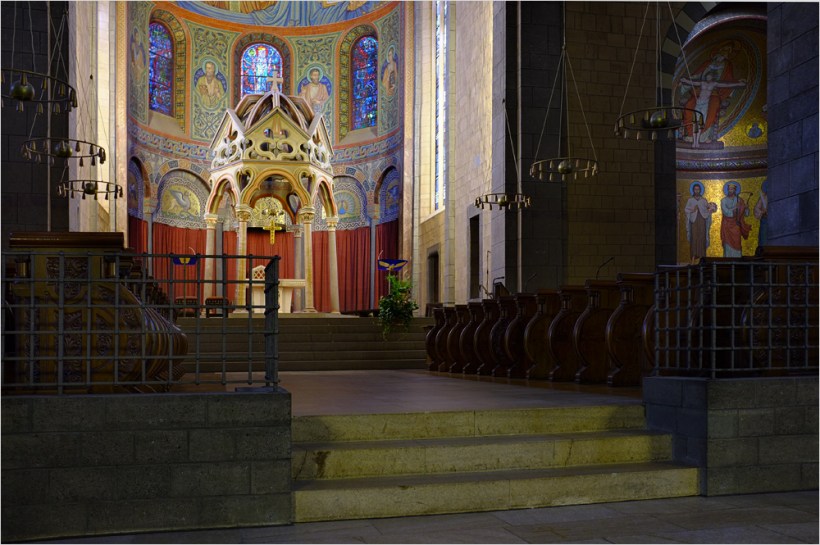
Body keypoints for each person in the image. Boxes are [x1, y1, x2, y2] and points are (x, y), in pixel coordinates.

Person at [679, 70, 746, 146]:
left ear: (712, 77)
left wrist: (739, 84)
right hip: (699, 103)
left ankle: (698, 141)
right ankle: (695, 142)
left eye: (710, 76)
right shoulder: (702, 83)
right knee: (695, 122)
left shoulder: (714, 83)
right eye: (707, 75)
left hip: (705, 104)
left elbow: (726, 84)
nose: (708, 77)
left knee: (702, 122)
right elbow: (693, 82)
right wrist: (685, 80)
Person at [684, 181, 717, 263]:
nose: (697, 191)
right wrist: (693, 210)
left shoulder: (703, 200)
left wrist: (711, 209)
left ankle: (702, 258)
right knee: (694, 238)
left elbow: (708, 209)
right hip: (694, 222)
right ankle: (693, 257)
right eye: (695, 189)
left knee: (702, 238)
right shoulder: (690, 200)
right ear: (693, 190)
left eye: (698, 189)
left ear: (700, 190)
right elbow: (686, 209)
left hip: (702, 221)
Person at [720, 181, 751, 257]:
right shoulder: (724, 200)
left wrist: (746, 208)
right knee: (727, 243)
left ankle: (737, 259)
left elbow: (746, 214)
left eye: (732, 189)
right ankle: (728, 259)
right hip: (727, 225)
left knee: (737, 241)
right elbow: (726, 212)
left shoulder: (739, 200)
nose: (731, 190)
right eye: (729, 189)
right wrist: (735, 208)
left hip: (736, 224)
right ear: (727, 190)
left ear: (735, 190)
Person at [754, 180, 769, 247]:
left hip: (774, 221)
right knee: (763, 239)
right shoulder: (763, 197)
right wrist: (762, 212)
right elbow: (756, 208)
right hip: (765, 220)